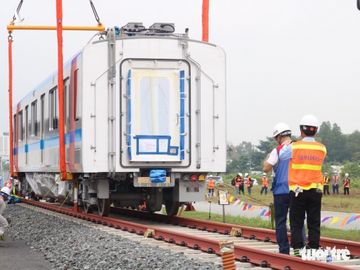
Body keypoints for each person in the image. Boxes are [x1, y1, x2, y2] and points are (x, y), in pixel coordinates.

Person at [279, 114, 327, 256]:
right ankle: (313, 249)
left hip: (297, 190)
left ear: (301, 130)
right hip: (316, 190)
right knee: (314, 221)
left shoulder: (294, 147)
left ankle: (298, 250)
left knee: (297, 222)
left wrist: (287, 144)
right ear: (316, 130)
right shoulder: (322, 148)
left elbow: (282, 156)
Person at [263, 122, 293, 254]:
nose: (276, 141)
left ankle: (284, 251)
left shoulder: (277, 150)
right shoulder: (298, 147)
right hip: (297, 190)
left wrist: (268, 156)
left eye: (276, 138)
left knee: (280, 221)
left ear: (280, 136)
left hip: (281, 191)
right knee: (297, 222)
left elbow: (266, 168)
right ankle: (300, 249)